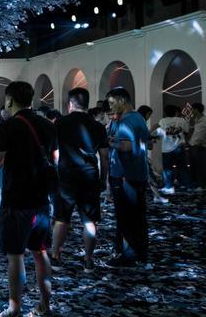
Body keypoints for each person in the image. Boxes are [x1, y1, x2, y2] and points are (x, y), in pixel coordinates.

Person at [0, 81, 56, 317]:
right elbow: (53, 157)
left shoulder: (7, 127)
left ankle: (14, 309)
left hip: (16, 200)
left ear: (9, 100)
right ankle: (45, 305)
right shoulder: (48, 125)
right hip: (41, 199)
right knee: (41, 252)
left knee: (15, 255)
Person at [51, 88, 109, 274]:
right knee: (90, 221)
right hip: (90, 176)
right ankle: (89, 260)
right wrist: (103, 179)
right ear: (87, 103)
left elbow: (55, 153)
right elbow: (104, 156)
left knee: (62, 218)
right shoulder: (97, 126)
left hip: (66, 176)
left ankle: (56, 257)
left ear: (70, 104)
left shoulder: (60, 123)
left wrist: (57, 171)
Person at [105, 87, 150, 268]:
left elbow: (126, 146)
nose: (109, 107)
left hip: (126, 175)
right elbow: (146, 143)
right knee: (135, 216)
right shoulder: (137, 118)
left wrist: (107, 142)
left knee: (127, 216)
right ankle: (134, 251)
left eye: (111, 103)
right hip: (136, 174)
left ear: (121, 101)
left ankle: (129, 254)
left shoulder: (127, 121)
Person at [152, 105, 192, 195]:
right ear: (176, 112)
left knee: (167, 169)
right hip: (179, 147)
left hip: (166, 149)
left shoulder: (163, 121)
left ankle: (169, 187)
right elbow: (187, 132)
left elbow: (157, 131)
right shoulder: (181, 120)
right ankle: (188, 186)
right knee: (183, 167)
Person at [188, 103, 206, 188]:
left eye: (192, 109)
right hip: (192, 145)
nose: (191, 111)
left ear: (196, 110)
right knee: (194, 166)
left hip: (200, 147)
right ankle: (197, 184)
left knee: (201, 166)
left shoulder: (205, 120)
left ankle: (201, 185)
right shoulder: (194, 120)